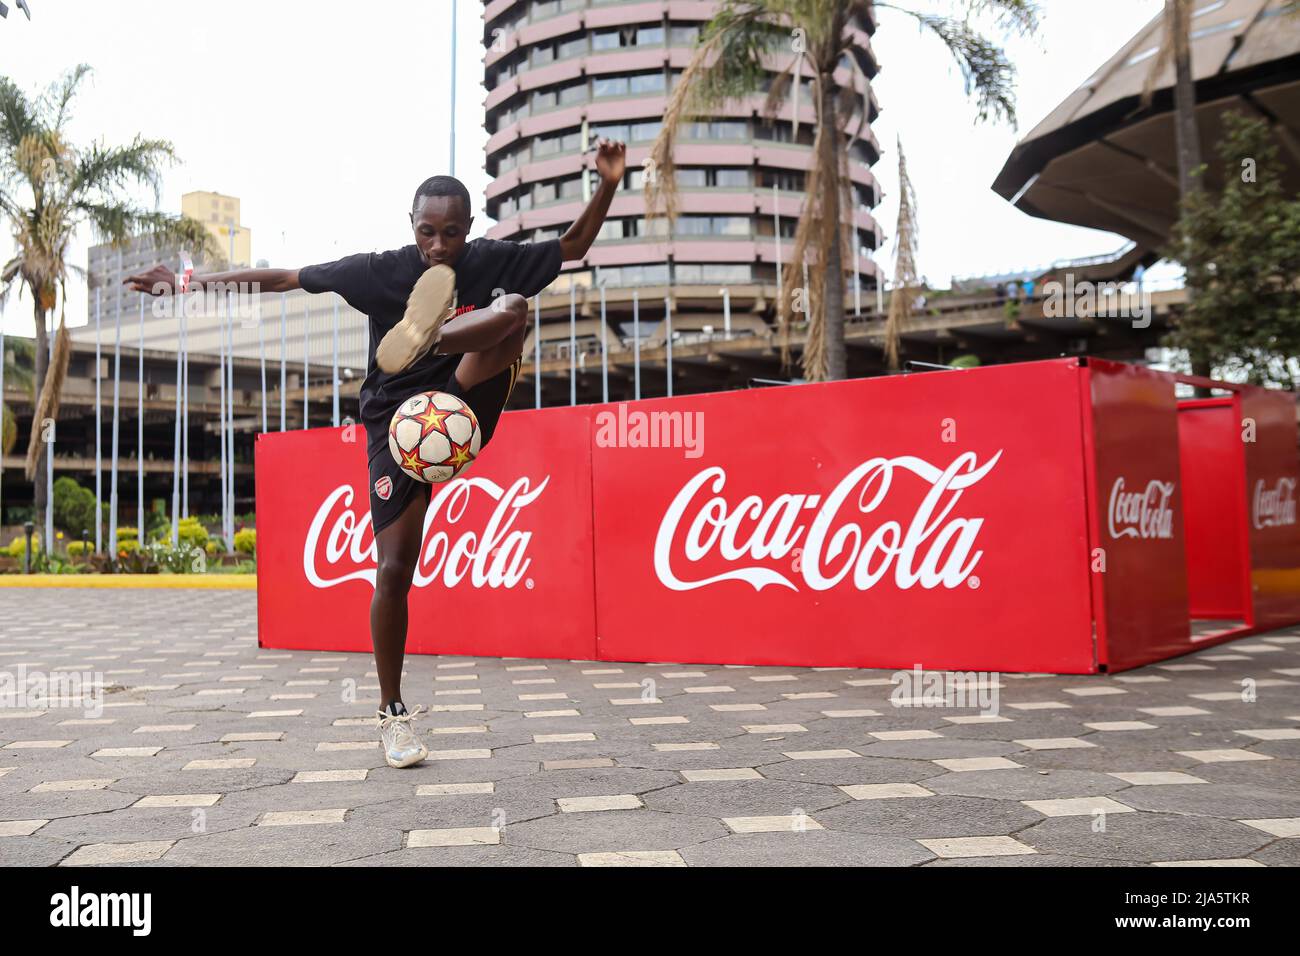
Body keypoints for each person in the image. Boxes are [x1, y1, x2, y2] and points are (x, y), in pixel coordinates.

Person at [126, 138, 627, 767]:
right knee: (395, 569)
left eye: (450, 233)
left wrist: (606, 184)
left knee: (515, 307)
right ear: (411, 226)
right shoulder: (381, 271)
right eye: (427, 232)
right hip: (398, 422)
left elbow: (573, 247)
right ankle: (392, 714)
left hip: (466, 397)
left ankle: (432, 334)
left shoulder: (490, 258)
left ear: (467, 229)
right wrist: (184, 283)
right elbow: (284, 278)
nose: (438, 245)